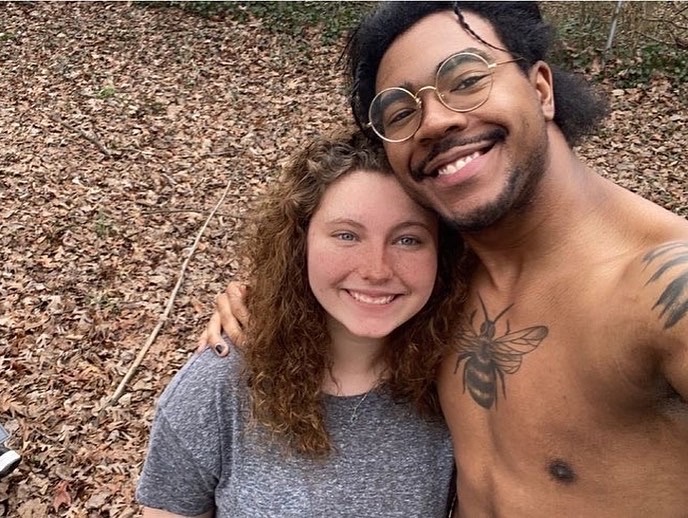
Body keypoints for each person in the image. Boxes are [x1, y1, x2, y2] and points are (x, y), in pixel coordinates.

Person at [203, 2, 688, 516]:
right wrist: (262, 303)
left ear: (541, 89)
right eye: (401, 113)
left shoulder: (662, 293)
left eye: (467, 79)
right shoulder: (439, 275)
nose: (434, 121)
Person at [137, 129, 468, 517]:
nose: (377, 270)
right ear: (300, 243)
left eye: (408, 240)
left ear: (442, 254)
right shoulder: (219, 386)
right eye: (347, 235)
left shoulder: (462, 381)